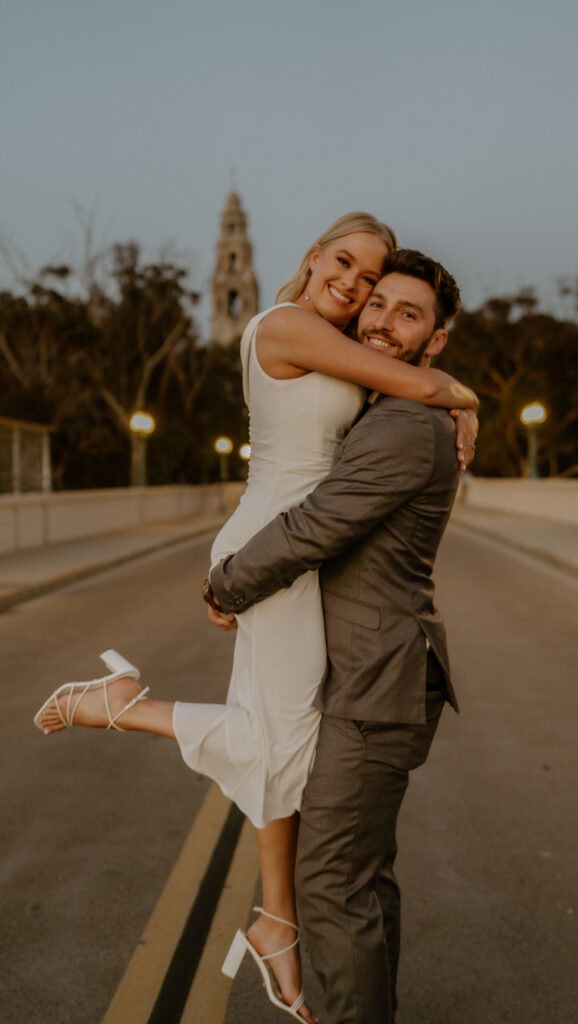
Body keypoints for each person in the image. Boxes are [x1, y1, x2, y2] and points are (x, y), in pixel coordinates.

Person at [34, 215, 477, 1024]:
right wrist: (466, 397)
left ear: (433, 335)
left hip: (282, 547)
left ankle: (277, 917)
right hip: (275, 542)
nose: (361, 297)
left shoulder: (375, 385)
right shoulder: (287, 326)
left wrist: (448, 395)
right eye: (351, 272)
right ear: (312, 258)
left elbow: (403, 399)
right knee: (285, 746)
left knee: (287, 743)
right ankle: (123, 708)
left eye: (386, 298)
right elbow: (411, 399)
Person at [207, 248, 465, 1024]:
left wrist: (227, 582)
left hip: (373, 681)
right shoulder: (389, 406)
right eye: (376, 303)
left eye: (406, 313)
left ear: (435, 339)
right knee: (361, 876)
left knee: (330, 886)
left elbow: (316, 525)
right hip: (377, 674)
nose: (381, 320)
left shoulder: (404, 427)